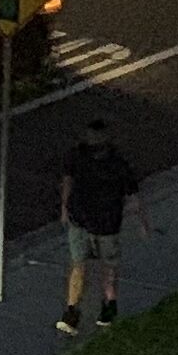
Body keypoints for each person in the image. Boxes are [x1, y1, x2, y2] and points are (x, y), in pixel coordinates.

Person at [58, 116, 145, 334]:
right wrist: (65, 208)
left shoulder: (117, 164)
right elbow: (68, 179)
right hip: (81, 221)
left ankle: (108, 306)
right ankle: (72, 311)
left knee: (108, 267)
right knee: (78, 265)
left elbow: (133, 195)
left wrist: (138, 220)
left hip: (106, 224)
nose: (92, 141)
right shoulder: (78, 156)